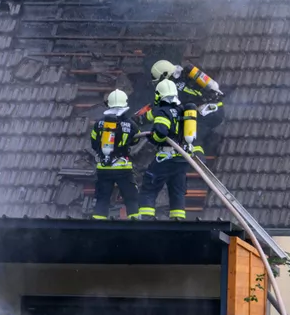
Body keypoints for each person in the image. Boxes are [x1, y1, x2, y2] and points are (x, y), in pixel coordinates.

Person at [136, 80, 192, 220]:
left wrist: (152, 138)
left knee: (149, 185)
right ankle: (178, 219)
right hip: (181, 157)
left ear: (159, 94)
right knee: (177, 190)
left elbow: (161, 133)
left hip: (166, 156)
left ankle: (146, 218)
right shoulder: (182, 110)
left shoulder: (163, 111)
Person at [151, 59, 225, 156]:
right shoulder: (184, 75)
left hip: (208, 111)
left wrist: (142, 118)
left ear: (164, 75)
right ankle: (208, 144)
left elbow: (167, 108)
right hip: (216, 108)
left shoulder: (172, 89)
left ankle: (198, 164)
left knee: (192, 139)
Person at [89, 89, 141, 219]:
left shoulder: (99, 124)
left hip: (103, 168)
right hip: (122, 168)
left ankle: (97, 228)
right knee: (131, 199)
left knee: (102, 200)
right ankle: (137, 228)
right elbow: (136, 140)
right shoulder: (130, 124)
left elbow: (94, 144)